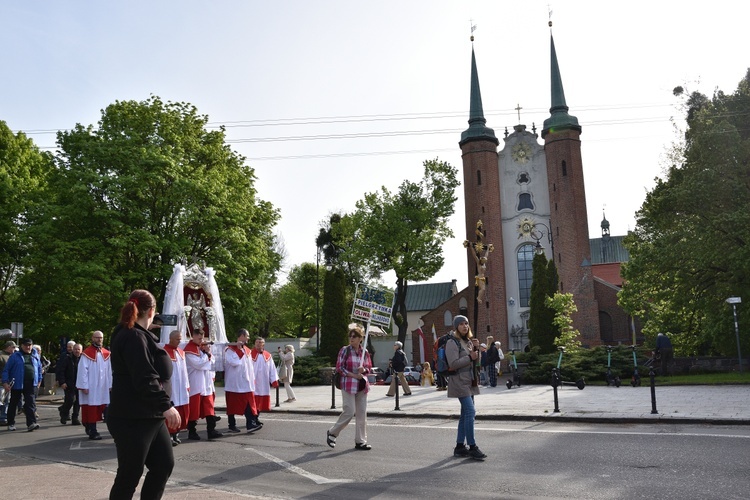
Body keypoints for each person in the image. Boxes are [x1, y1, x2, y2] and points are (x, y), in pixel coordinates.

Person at [107, 289, 180, 500]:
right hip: (133, 418)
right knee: (129, 475)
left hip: (150, 416)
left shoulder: (135, 334)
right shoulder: (132, 336)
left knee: (163, 466)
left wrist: (147, 331)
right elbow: (144, 377)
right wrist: (166, 406)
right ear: (151, 311)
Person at [446, 315, 487, 460]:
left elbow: (476, 363)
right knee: (470, 412)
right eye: (462, 324)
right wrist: (470, 357)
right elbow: (453, 363)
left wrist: (476, 350)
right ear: (456, 326)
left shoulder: (468, 342)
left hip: (469, 381)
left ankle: (459, 446)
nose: (465, 326)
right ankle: (472, 446)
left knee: (465, 415)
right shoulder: (452, 342)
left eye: (467, 323)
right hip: (459, 381)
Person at [326, 323, 373, 451]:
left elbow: (369, 368)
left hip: (361, 386)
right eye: (350, 336)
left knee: (361, 414)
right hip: (348, 385)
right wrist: (353, 375)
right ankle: (332, 432)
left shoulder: (365, 352)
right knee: (349, 411)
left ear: (360, 338)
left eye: (354, 336)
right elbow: (339, 368)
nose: (351, 338)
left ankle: (361, 441)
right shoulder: (345, 350)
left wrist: (363, 370)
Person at [184, 330, 222, 440]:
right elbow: (199, 364)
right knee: (194, 409)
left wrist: (208, 353)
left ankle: (211, 430)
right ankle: (192, 432)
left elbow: (212, 361)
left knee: (209, 408)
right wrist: (206, 355)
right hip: (196, 383)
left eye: (202, 338)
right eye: (199, 338)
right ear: (193, 336)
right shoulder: (189, 350)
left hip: (206, 382)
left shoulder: (201, 348)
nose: (201, 341)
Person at [76, 330, 112, 440]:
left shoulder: (106, 354)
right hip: (91, 387)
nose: (99, 339)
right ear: (92, 338)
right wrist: (84, 386)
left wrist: (110, 384)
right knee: (91, 408)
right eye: (97, 337)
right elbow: (82, 371)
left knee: (101, 407)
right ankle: (92, 430)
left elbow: (109, 371)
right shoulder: (86, 354)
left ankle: (90, 426)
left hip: (102, 387)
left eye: (101, 337)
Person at [2, 338, 42, 432]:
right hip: (17, 383)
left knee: (30, 403)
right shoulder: (15, 356)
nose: (28, 347)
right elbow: (6, 370)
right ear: (22, 346)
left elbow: (39, 368)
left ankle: (31, 423)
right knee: (14, 403)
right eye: (26, 345)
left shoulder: (35, 355)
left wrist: (39, 380)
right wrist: (5, 382)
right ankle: (11, 423)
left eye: (29, 345)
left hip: (31, 383)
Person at [224, 329, 260, 433]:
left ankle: (251, 424)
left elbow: (250, 367)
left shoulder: (248, 350)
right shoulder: (229, 349)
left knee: (249, 403)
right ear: (242, 336)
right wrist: (239, 350)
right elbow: (234, 362)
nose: (248, 338)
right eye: (247, 336)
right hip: (234, 383)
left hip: (246, 383)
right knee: (232, 406)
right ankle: (232, 425)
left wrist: (252, 379)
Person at [163, 330, 190, 445]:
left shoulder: (181, 352)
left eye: (180, 339)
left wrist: (187, 385)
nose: (180, 341)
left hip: (181, 387)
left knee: (180, 411)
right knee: (171, 411)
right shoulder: (164, 352)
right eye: (178, 339)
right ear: (171, 339)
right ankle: (168, 435)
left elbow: (184, 371)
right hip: (171, 387)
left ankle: (176, 434)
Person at [250, 337, 279, 427]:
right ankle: (252, 420)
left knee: (260, 403)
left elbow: (272, 369)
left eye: (260, 342)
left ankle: (256, 418)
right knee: (253, 402)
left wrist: (274, 381)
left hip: (263, 383)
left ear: (263, 344)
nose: (258, 344)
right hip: (252, 383)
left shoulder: (268, 355)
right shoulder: (249, 354)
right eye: (257, 342)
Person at [57, 342, 82, 425]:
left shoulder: (83, 359)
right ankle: (64, 413)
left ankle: (75, 418)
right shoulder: (67, 359)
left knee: (78, 402)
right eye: (75, 349)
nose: (77, 351)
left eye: (78, 349)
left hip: (80, 384)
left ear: (81, 350)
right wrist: (62, 382)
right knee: (70, 400)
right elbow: (61, 371)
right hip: (69, 384)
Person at [0, 340, 17, 425]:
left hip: (9, 382)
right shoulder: (1, 356)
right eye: (13, 347)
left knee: (7, 400)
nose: (15, 349)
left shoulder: (12, 356)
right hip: (1, 382)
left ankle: (3, 418)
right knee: (2, 400)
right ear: (8, 347)